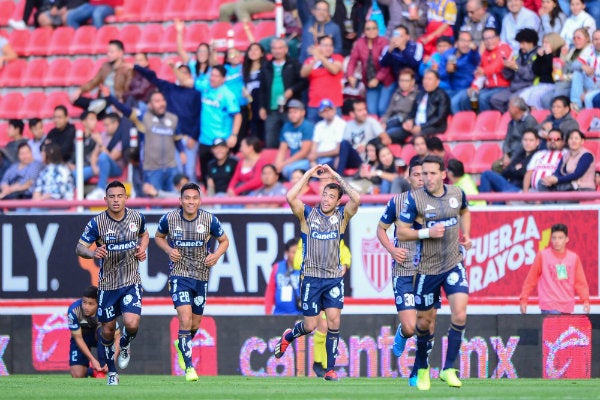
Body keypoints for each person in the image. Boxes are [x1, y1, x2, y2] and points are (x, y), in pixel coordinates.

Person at [273, 164, 360, 382]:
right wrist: (308, 175)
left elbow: (357, 199)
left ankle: (330, 369)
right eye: (324, 194)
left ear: (338, 200)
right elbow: (290, 196)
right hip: (311, 278)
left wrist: (336, 176)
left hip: (332, 279)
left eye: (331, 196)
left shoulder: (342, 217)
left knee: (334, 321)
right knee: (311, 326)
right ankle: (289, 335)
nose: (326, 199)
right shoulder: (307, 214)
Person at [396, 155, 472, 390]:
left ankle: (448, 368)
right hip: (427, 269)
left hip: (452, 262)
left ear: (443, 174)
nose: (427, 178)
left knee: (459, 314)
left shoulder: (456, 194)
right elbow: (401, 233)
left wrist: (465, 234)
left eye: (431, 173)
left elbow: (465, 211)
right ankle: (422, 367)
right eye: (424, 173)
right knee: (424, 323)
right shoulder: (415, 200)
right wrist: (426, 233)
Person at [75, 181, 149, 386]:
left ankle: (124, 343)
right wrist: (92, 252)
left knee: (132, 323)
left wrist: (142, 248)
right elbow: (79, 248)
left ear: (126, 198)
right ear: (105, 199)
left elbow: (145, 234)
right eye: (112, 196)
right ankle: (112, 372)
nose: (116, 200)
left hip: (131, 280)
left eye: (120, 196)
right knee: (107, 330)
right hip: (107, 286)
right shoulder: (97, 222)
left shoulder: (137, 217)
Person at [155, 182, 229, 381]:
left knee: (195, 324)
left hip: (201, 277)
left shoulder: (209, 220)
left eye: (194, 198)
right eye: (187, 198)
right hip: (179, 275)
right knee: (185, 319)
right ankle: (189, 367)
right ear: (180, 200)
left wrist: (216, 255)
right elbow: (158, 237)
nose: (190, 202)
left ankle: (181, 346)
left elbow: (224, 241)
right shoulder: (169, 218)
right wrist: (169, 250)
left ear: (200, 200)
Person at [376, 160, 422, 386]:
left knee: (426, 326)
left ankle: (417, 372)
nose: (422, 178)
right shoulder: (397, 201)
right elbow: (381, 229)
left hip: (429, 272)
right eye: (417, 174)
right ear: (409, 177)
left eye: (426, 174)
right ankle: (403, 334)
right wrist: (392, 250)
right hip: (403, 270)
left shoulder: (439, 204)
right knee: (410, 327)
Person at [520, 223, 590, 314]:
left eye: (560, 238)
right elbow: (531, 279)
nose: (556, 241)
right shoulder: (543, 256)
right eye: (554, 238)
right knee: (555, 327)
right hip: (549, 305)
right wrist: (524, 299)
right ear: (551, 239)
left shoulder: (573, 258)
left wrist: (585, 300)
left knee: (565, 329)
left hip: (567, 305)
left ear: (566, 239)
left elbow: (580, 282)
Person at [258, 38, 307, 149]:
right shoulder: (266, 66)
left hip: (290, 109)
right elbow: (262, 89)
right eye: (274, 48)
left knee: (291, 141)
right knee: (270, 141)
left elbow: (303, 82)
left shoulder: (294, 64)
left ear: (286, 49)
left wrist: (292, 90)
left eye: (280, 48)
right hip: (271, 109)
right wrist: (261, 107)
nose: (277, 51)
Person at [346, 19, 396, 117]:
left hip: (386, 81)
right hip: (370, 82)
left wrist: (377, 79)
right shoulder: (359, 43)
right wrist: (350, 75)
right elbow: (352, 61)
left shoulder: (384, 42)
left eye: (374, 28)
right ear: (364, 31)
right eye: (368, 29)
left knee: (382, 109)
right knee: (372, 112)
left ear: (378, 30)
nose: (371, 31)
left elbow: (387, 64)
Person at [489, 28, 539, 113]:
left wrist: (516, 67)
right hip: (513, 87)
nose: (521, 46)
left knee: (512, 102)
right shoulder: (518, 56)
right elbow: (507, 76)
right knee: (495, 99)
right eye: (520, 43)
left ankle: (513, 119)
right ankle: (507, 118)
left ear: (532, 42)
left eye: (523, 43)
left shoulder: (538, 56)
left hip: (528, 88)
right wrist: (507, 67)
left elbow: (529, 76)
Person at [479, 129, 540, 195]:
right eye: (525, 140)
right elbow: (506, 172)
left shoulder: (538, 155)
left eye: (531, 140)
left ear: (537, 142)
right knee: (486, 175)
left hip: (520, 190)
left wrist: (515, 169)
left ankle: (485, 202)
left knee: (499, 199)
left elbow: (524, 172)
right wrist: (515, 169)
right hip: (510, 186)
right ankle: (484, 202)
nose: (527, 143)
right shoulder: (521, 154)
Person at [68, 285, 111, 378]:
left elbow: (117, 336)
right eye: (84, 302)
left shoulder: (106, 309)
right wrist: (92, 360)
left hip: (98, 336)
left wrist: (112, 361)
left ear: (98, 303)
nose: (86, 307)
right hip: (82, 337)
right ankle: (93, 371)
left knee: (105, 331)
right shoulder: (74, 310)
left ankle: (102, 369)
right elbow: (78, 338)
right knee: (77, 375)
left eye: (91, 304)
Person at [301, 35, 344, 123]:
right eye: (325, 45)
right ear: (318, 46)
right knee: (313, 134)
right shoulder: (310, 60)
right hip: (314, 104)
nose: (328, 48)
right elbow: (303, 74)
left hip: (333, 105)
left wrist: (320, 56)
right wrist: (315, 60)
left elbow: (334, 70)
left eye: (330, 45)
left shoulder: (337, 58)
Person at [399, 70, 451, 144]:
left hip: (433, 126)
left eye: (429, 79)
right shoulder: (420, 94)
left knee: (417, 139)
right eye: (425, 79)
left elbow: (440, 118)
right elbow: (412, 112)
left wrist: (422, 127)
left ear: (437, 82)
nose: (426, 82)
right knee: (394, 134)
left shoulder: (442, 96)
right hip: (416, 125)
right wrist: (408, 121)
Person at [274, 99, 314, 180]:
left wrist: (284, 163)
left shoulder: (307, 126)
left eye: (295, 112)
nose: (292, 115)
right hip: (293, 161)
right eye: (290, 112)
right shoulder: (286, 126)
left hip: (306, 160)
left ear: (303, 113)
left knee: (289, 170)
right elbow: (282, 149)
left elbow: (305, 152)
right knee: (271, 170)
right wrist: (277, 164)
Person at [264, 238, 302, 315]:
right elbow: (270, 290)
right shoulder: (277, 267)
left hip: (299, 314)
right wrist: (267, 312)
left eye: (298, 252)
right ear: (287, 253)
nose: (296, 255)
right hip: (279, 314)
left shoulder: (304, 269)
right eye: (293, 252)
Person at [309, 99, 346, 168]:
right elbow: (314, 146)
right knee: (292, 170)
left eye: (329, 109)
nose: (328, 112)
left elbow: (338, 150)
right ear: (320, 113)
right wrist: (312, 159)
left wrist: (317, 154)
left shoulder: (341, 124)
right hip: (317, 159)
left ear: (334, 109)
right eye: (324, 111)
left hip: (332, 158)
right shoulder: (318, 125)